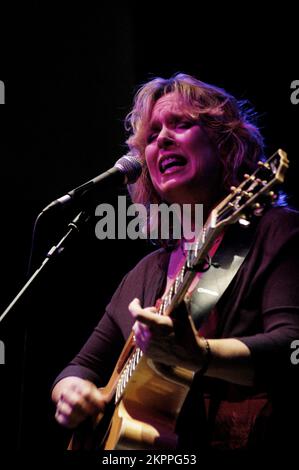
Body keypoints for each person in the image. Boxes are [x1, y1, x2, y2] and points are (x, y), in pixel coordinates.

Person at [51, 73, 299, 454]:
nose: (162, 138)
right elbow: (80, 366)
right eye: (151, 136)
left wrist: (198, 355)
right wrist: (72, 390)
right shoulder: (145, 273)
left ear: (225, 143)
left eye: (181, 124)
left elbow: (290, 347)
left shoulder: (276, 232)